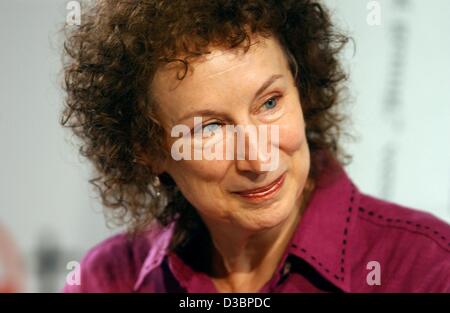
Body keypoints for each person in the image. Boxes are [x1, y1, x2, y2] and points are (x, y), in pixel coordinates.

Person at [61, 0, 450, 292]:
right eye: (209, 128)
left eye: (270, 102)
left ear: (302, 88)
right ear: (148, 149)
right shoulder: (108, 279)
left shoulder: (424, 268)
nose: (259, 157)